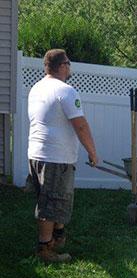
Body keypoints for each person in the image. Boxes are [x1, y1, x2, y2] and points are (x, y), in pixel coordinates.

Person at [27, 49, 98, 262]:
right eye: (69, 62)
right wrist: (93, 153)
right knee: (51, 204)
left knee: (50, 199)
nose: (70, 67)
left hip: (36, 155)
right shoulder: (66, 91)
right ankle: (45, 249)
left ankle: (57, 237)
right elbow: (81, 126)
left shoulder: (36, 88)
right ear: (62, 66)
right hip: (55, 158)